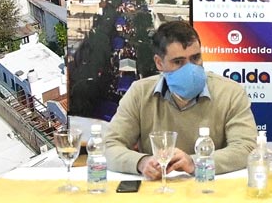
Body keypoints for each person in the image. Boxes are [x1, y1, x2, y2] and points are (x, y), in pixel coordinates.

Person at [105, 20, 257, 178]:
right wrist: (142, 162)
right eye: (178, 62)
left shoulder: (231, 92)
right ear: (159, 63)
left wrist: (194, 163)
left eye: (195, 58)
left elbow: (246, 148)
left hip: (211, 190)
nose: (190, 69)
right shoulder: (140, 92)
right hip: (157, 191)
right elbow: (109, 145)